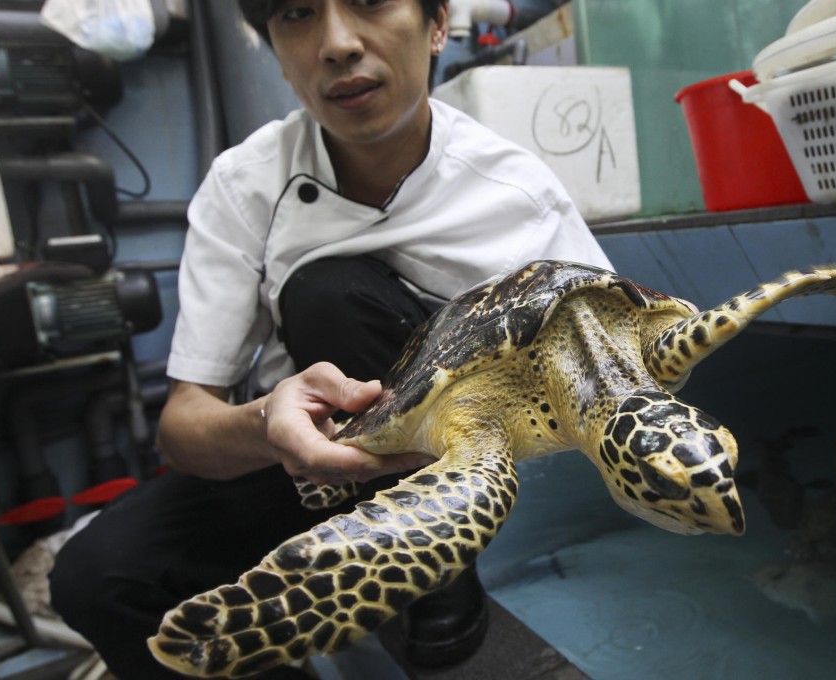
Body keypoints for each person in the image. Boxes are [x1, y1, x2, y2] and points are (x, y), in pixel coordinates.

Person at [49, 0, 613, 677]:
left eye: (371, 2)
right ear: (277, 54)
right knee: (95, 576)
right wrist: (269, 423)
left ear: (437, 24)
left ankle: (437, 582)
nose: (338, 43)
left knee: (329, 293)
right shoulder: (246, 185)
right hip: (306, 463)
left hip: (473, 476)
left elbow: (610, 377)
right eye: (296, 14)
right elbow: (183, 425)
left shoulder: (518, 194)